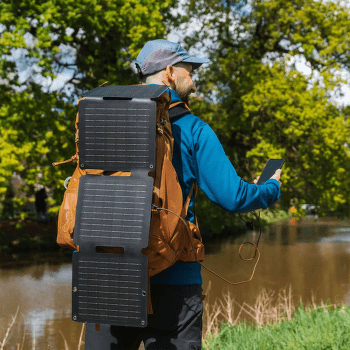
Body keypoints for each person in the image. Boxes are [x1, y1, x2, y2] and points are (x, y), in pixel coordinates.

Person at [85, 39, 282, 350]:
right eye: (190, 70)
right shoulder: (193, 128)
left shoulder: (103, 121)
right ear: (170, 71)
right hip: (173, 276)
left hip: (107, 273)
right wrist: (271, 187)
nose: (194, 77)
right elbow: (233, 196)